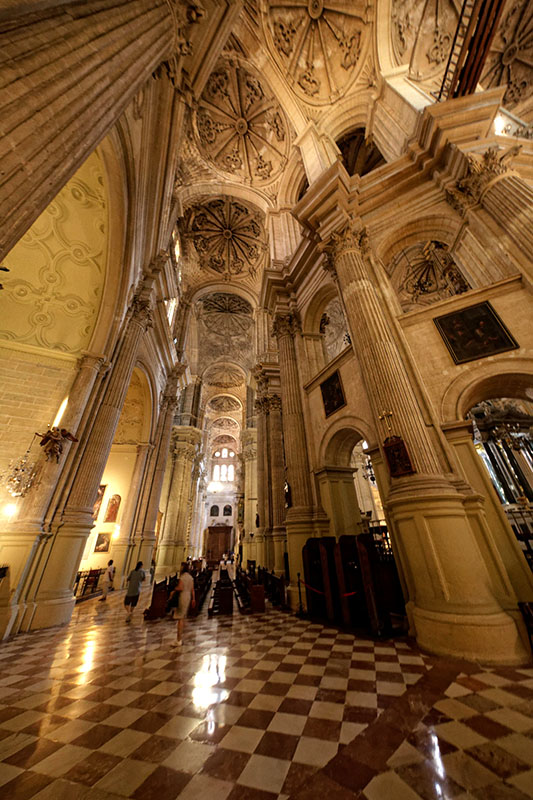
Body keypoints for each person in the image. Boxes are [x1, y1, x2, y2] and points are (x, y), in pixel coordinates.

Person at [171, 563, 195, 646]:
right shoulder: (190, 577)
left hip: (182, 597)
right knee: (183, 617)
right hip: (188, 597)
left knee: (180, 618)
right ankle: (180, 637)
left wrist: (174, 589)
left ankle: (179, 639)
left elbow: (180, 588)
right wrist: (193, 599)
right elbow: (192, 589)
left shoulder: (183, 577)